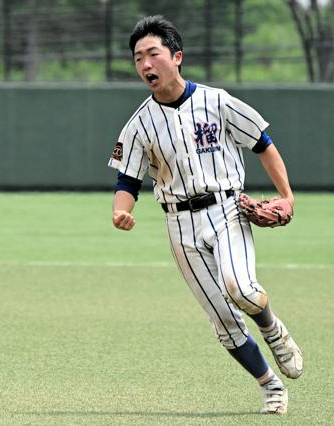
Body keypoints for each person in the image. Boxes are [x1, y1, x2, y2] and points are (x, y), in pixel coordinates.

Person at [108, 15, 303, 415]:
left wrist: (287, 196)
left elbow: (263, 144)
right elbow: (127, 182)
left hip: (227, 208)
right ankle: (271, 386)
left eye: (153, 54)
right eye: (138, 58)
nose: (145, 64)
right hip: (179, 224)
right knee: (224, 322)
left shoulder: (218, 101)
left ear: (176, 57)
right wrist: (120, 212)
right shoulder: (139, 124)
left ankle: (271, 327)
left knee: (242, 289)